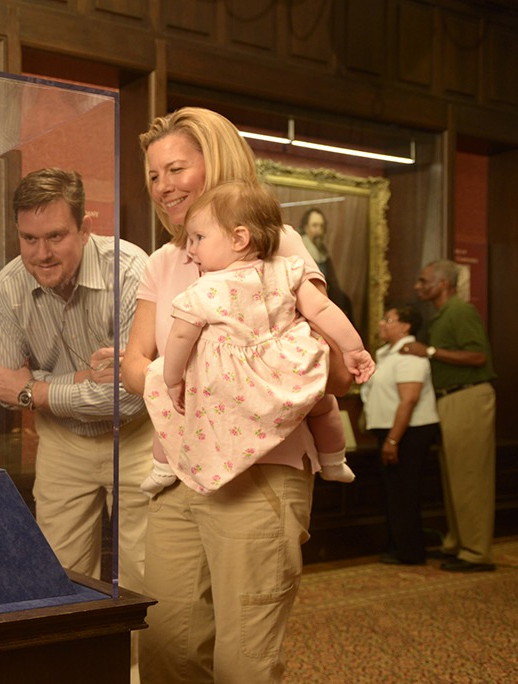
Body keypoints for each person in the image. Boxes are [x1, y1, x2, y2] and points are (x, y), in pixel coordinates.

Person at [121, 107, 354, 683]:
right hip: (180, 471)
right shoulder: (163, 261)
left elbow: (336, 374)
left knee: (243, 661)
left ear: (218, 163)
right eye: (153, 175)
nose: (163, 186)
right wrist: (209, 380)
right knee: (167, 648)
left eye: (176, 169)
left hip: (261, 474)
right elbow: (133, 366)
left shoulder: (278, 243)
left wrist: (194, 376)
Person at [141, 181, 373, 497]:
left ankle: (163, 467)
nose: (191, 248)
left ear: (239, 238)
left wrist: (172, 379)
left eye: (199, 238)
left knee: (169, 403)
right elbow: (321, 308)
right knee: (322, 404)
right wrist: (354, 348)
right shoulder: (285, 270)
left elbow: (181, 335)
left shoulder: (205, 289)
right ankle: (333, 460)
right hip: (283, 369)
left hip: (232, 378)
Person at [0, 169, 153, 591]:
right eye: (29, 238)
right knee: (61, 582)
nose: (41, 253)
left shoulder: (131, 271)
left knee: (147, 580)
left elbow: (132, 396)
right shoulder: (6, 288)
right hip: (63, 443)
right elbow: (3, 389)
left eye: (55, 236)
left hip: (138, 438)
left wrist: (36, 389)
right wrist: (81, 380)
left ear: (85, 229)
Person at [403, 260, 496, 572]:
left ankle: (476, 552)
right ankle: (458, 542)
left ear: (443, 283)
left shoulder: (460, 311)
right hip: (450, 398)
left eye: (423, 280)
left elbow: (478, 356)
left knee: (470, 476)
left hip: (467, 397)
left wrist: (429, 352)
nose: (418, 286)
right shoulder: (442, 315)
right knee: (455, 475)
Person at [360, 304, 439, 566]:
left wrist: (393, 440)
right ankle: (398, 547)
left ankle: (411, 551)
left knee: (404, 491)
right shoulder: (386, 353)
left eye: (388, 319)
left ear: (406, 326)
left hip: (409, 432)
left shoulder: (410, 354)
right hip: (391, 430)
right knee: (394, 491)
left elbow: (409, 399)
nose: (381, 323)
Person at [298, 208, 353, 320]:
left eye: (322, 226)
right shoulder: (301, 249)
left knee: (345, 302)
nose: (319, 230)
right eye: (315, 226)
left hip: (326, 296)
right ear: (306, 227)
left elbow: (332, 281)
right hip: (310, 300)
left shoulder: (323, 251)